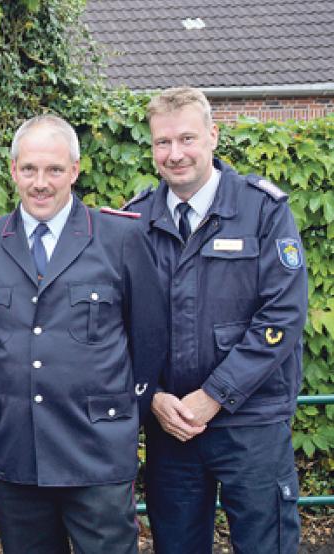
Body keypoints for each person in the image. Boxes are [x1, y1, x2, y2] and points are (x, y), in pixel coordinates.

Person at [0, 115, 168, 553]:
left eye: (54, 170)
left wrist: (120, 412)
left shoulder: (120, 236)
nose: (41, 183)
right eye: (30, 169)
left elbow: (150, 337)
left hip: (96, 448)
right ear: (13, 169)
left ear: (75, 171)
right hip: (15, 451)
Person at [124, 87, 308, 553]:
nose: (175, 153)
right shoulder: (133, 221)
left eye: (187, 138)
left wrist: (214, 396)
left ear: (213, 136)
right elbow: (118, 324)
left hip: (253, 421)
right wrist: (155, 398)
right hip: (171, 428)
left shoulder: (263, 210)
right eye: (163, 142)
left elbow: (281, 317)